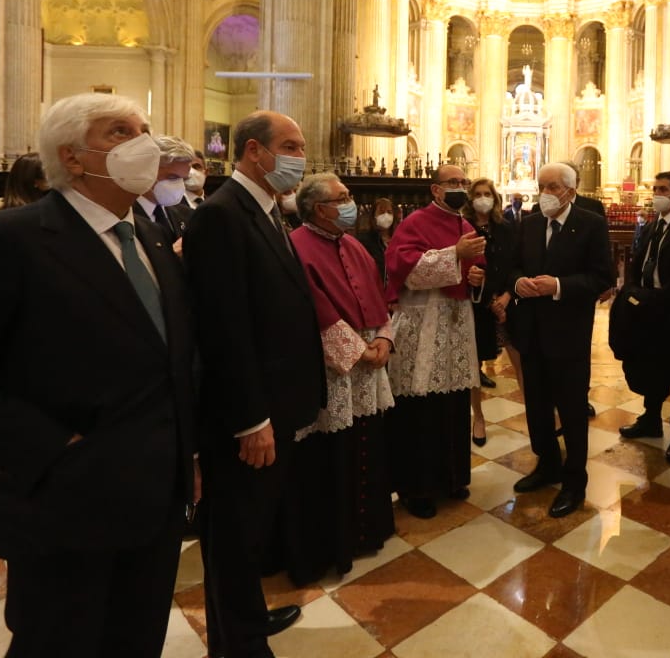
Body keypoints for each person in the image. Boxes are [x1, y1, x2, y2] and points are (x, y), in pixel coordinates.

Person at [0, 93, 197, 658]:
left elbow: (170, 361)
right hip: (65, 502)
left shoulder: (150, 237)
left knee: (136, 640)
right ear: (72, 156)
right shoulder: (5, 241)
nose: (143, 142)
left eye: (145, 128)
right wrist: (51, 448)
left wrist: (187, 457)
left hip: (156, 499)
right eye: (120, 132)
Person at [184, 110, 326, 658]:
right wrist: (251, 419)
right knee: (234, 538)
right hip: (249, 415)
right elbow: (224, 327)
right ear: (252, 151)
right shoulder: (223, 215)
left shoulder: (265, 210)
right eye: (289, 145)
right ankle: (236, 645)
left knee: (251, 531)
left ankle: (243, 622)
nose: (299, 157)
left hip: (276, 403)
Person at [279, 173, 395, 586]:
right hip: (332, 368)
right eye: (341, 198)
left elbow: (379, 297)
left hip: (368, 358)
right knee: (331, 452)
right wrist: (360, 352)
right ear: (317, 208)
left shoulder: (354, 245)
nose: (350, 204)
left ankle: (366, 531)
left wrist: (382, 337)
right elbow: (313, 308)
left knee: (365, 440)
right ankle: (332, 543)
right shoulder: (295, 247)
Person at [509, 162, 613, 518]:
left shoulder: (590, 224)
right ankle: (547, 464)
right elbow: (513, 266)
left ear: (570, 190)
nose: (546, 193)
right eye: (542, 186)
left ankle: (574, 481)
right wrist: (518, 282)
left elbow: (602, 278)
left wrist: (558, 286)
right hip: (531, 330)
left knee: (571, 410)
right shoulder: (530, 223)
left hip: (568, 334)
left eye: (553, 187)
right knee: (537, 406)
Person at [384, 164, 485, 519]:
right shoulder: (415, 222)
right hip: (423, 321)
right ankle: (418, 487)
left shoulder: (466, 225)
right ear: (435, 189)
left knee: (455, 403)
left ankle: (451, 478)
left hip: (457, 324)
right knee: (421, 406)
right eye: (452, 182)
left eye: (463, 182)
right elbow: (402, 267)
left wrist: (476, 276)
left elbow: (478, 269)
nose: (460, 187)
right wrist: (454, 256)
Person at [613, 171, 670, 464]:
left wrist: (658, 300)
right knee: (651, 367)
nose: (656, 193)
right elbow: (637, 262)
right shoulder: (652, 226)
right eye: (655, 188)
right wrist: (636, 294)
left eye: (662, 189)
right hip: (647, 311)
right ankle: (650, 419)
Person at [467, 178, 519, 442]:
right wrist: (489, 299)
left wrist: (507, 296)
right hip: (477, 304)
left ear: (495, 198)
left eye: (487, 193)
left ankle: (534, 415)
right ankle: (478, 417)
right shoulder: (464, 228)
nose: (483, 198)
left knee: (520, 359)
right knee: (474, 364)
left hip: (506, 304)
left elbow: (516, 264)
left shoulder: (506, 228)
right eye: (478, 194)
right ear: (470, 198)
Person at [134, 135, 195, 250]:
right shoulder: (125, 216)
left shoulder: (187, 215)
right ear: (147, 170)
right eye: (172, 177)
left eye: (183, 179)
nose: (179, 185)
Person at [358, 197, 399, 283]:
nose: (386, 215)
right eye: (381, 211)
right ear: (374, 216)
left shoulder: (399, 239)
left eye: (389, 212)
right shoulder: (364, 240)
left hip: (397, 290)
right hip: (375, 288)